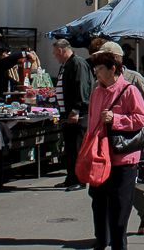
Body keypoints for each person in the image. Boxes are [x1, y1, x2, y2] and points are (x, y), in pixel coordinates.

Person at [91, 40, 144, 235]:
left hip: (130, 143)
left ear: (116, 60)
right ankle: (105, 234)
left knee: (130, 187)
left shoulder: (134, 80)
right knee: (103, 193)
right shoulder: (99, 83)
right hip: (104, 148)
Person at [51, 39, 94, 191]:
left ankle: (80, 179)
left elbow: (82, 88)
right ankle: (71, 178)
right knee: (70, 149)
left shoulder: (77, 64)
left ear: (62, 50)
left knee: (77, 148)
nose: (55, 56)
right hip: (67, 115)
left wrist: (76, 109)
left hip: (78, 115)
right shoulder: (66, 65)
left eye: (56, 53)